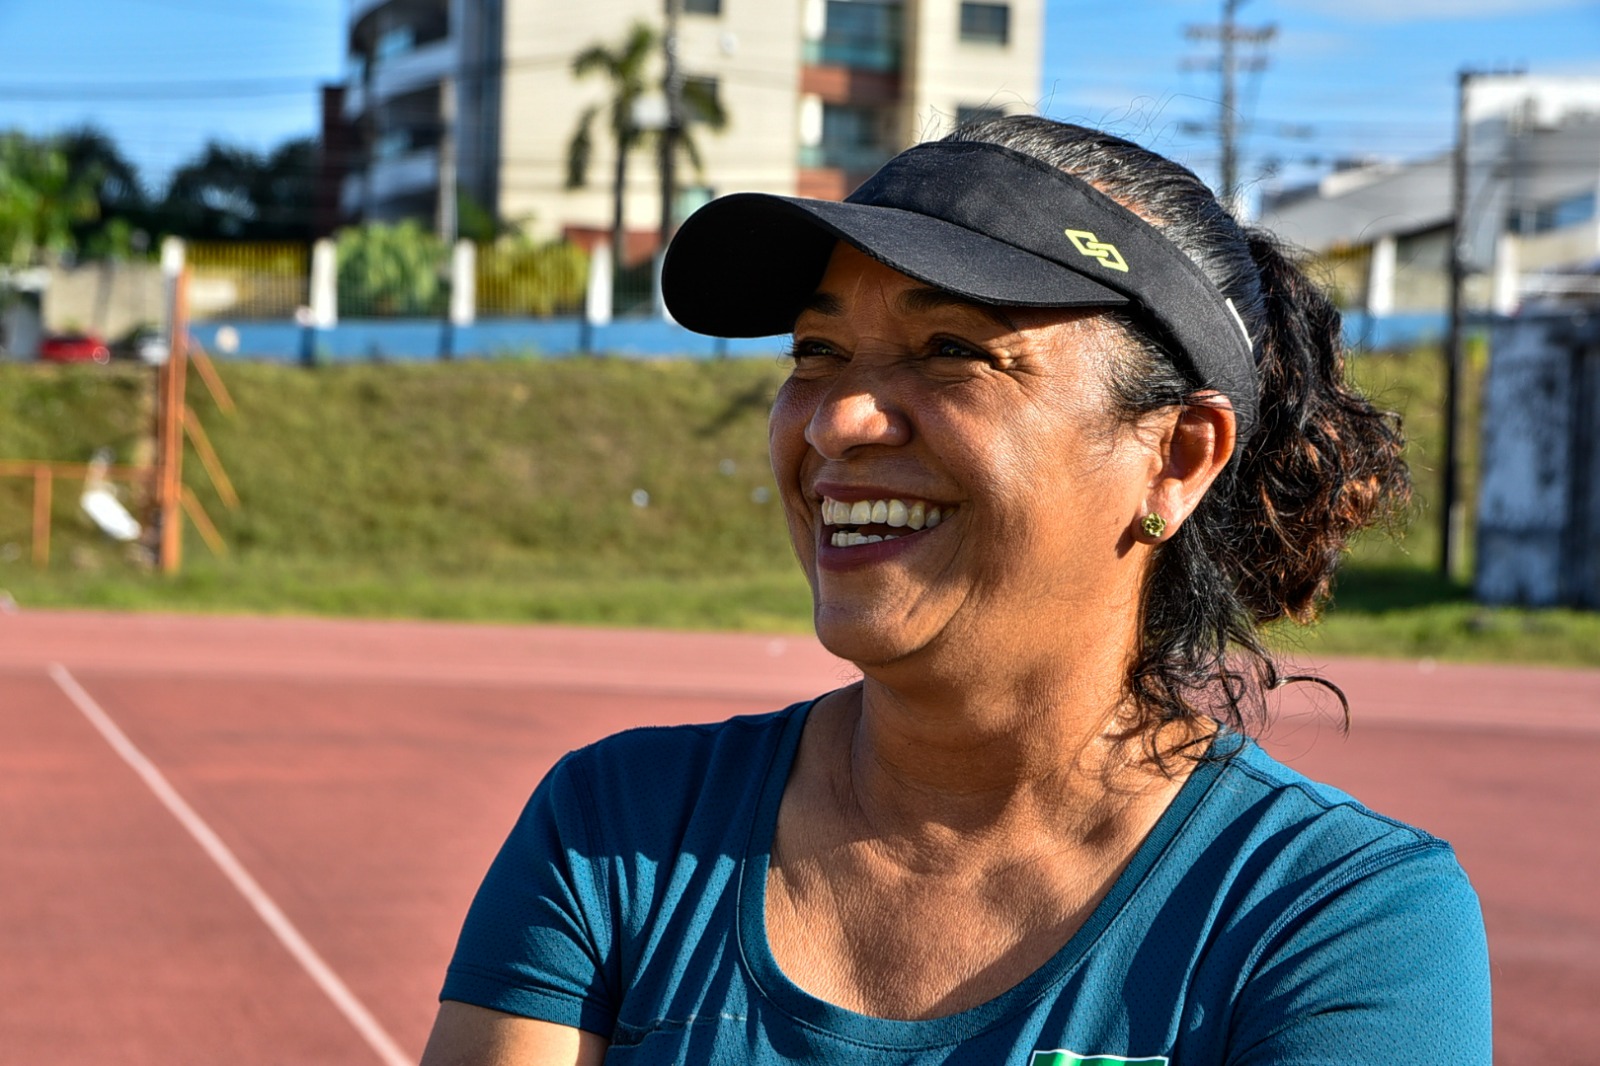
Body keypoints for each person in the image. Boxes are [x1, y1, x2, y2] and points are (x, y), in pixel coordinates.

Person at [419, 117, 1491, 1065]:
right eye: (817, 350)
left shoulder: (1333, 919)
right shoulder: (619, 834)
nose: (837, 420)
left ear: (1177, 456)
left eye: (948, 351)